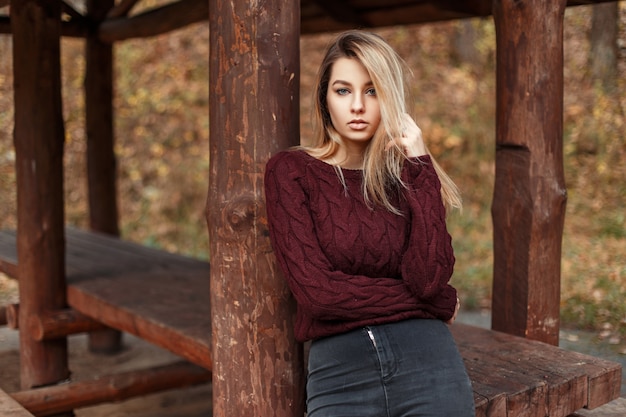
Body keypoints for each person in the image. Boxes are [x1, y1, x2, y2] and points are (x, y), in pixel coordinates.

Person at [264, 30, 475, 417]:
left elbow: (427, 278)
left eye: (373, 90)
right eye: (343, 91)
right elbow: (319, 295)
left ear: (389, 98)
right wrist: (437, 303)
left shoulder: (406, 177)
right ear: (325, 100)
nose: (358, 105)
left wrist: (420, 165)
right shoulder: (290, 172)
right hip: (342, 368)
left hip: (425, 356)